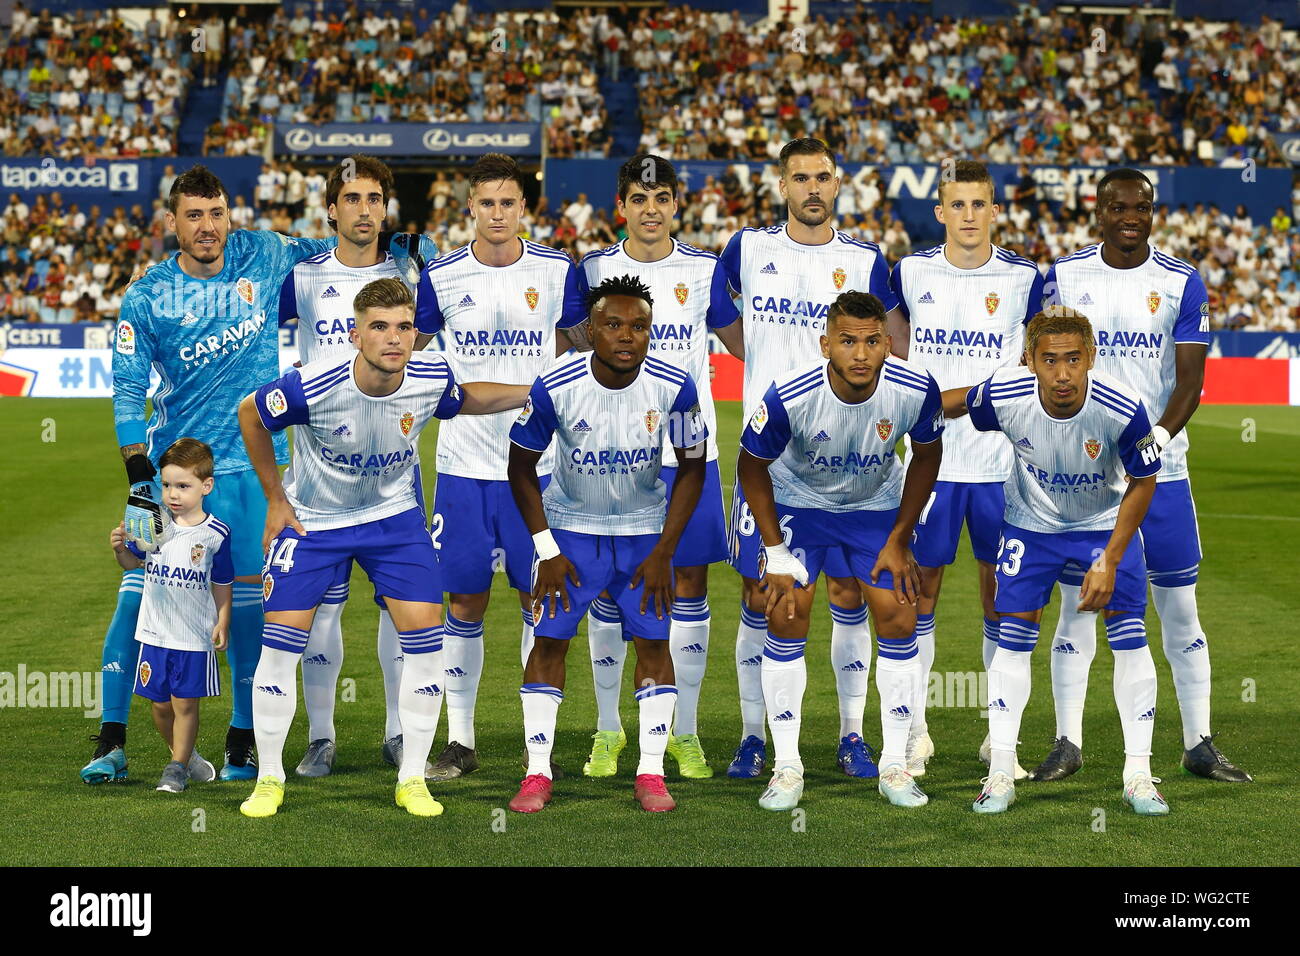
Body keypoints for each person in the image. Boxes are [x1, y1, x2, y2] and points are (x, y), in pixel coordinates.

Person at [81, 164, 434, 787]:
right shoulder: (146, 295)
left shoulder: (264, 252)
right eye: (193, 216)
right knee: (136, 601)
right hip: (174, 471)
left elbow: (344, 245)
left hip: (253, 468)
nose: (208, 227)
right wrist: (140, 480)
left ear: (229, 215)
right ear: (172, 223)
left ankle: (243, 743)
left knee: (251, 614)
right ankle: (112, 741)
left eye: (216, 213)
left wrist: (410, 245)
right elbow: (127, 390)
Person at [236, 277, 529, 818]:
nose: (393, 339)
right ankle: (270, 779)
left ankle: (412, 778)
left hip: (394, 522)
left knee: (427, 646)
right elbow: (251, 414)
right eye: (379, 327)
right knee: (279, 648)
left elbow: (468, 400)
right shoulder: (312, 385)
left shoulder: (429, 375)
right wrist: (276, 498)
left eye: (403, 328)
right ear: (354, 334)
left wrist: (531, 391)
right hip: (315, 524)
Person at [1037, 168, 1251, 783]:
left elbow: (1191, 381)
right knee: (1078, 611)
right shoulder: (1065, 277)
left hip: (1163, 473)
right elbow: (1043, 365)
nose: (1130, 216)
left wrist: (1155, 440)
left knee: (1179, 611)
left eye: (1141, 207)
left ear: (1153, 212)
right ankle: (1067, 742)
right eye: (1117, 206)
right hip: (1080, 478)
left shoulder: (1180, 281)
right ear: (1098, 209)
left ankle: (1198, 743)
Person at [719, 137, 905, 781]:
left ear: (839, 181)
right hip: (768, 456)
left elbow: (892, 341)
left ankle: (852, 735)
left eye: (823, 177)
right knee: (765, 595)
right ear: (781, 185)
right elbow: (725, 322)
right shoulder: (746, 249)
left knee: (851, 592)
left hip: (853, 461)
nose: (813, 189)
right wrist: (773, 377)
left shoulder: (867, 260)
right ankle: (753, 737)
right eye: (800, 178)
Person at [942, 306, 1168, 815]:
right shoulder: (1006, 393)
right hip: (1031, 526)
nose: (1062, 374)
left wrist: (1110, 558)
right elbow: (955, 404)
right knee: (1013, 635)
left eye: (1072, 359)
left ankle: (1139, 774)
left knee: (1129, 636)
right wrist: (900, 409)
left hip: (1105, 525)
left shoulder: (1122, 406)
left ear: (1091, 357)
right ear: (1029, 360)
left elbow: (1145, 480)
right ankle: (1000, 771)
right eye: (1049, 360)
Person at [505, 274, 707, 813]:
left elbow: (692, 467)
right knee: (548, 643)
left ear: (650, 331)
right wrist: (546, 548)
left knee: (654, 645)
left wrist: (665, 550)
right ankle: (537, 772)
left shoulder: (676, 385)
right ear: (591, 330)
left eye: (638, 326)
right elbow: (520, 466)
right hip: (571, 532)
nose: (626, 335)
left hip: (644, 534)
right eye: (613, 324)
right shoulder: (555, 385)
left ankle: (650, 771)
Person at [413, 153, 586, 781]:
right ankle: (460, 740)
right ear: (469, 210)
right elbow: (413, 354)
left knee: (535, 595)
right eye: (485, 203)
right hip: (462, 464)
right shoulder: (441, 275)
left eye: (507, 202)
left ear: (524, 209)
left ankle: (534, 746)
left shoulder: (556, 270)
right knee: (463, 600)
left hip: (537, 470)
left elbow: (575, 348)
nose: (496, 213)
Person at [736, 292, 943, 810]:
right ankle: (787, 767)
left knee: (899, 614)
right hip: (797, 502)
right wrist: (776, 551)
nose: (860, 353)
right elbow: (750, 466)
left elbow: (927, 453)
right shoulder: (791, 394)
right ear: (826, 343)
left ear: (888, 345)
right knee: (785, 614)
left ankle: (894, 764)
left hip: (874, 505)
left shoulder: (916, 389)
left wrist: (899, 538)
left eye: (872, 341)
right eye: (847, 341)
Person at [574, 154, 743, 780]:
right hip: (607, 453)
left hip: (684, 453)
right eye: (639, 197)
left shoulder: (704, 269)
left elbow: (742, 343)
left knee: (689, 586)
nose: (651, 207)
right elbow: (569, 354)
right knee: (605, 589)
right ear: (621, 204)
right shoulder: (592, 269)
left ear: (677, 204)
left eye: (662, 197)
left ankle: (685, 731)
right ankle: (609, 729)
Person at [887, 160, 1044, 778]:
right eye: (959, 205)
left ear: (995, 211)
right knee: (917, 597)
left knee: (1002, 599)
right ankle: (916, 735)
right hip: (931, 464)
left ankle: (996, 740)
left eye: (981, 204)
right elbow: (895, 345)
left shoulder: (1024, 278)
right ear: (941, 211)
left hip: (1003, 464)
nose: (970, 216)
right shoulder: (911, 271)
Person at [277, 155, 426, 778]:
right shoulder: (302, 277)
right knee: (323, 608)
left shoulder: (413, 269)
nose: (365, 210)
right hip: (320, 476)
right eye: (352, 199)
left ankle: (397, 732)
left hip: (395, 469)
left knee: (402, 606)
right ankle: (321, 736)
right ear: (331, 209)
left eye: (374, 199)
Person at [109, 438, 231, 793]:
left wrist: (223, 619)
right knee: (160, 706)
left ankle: (176, 767)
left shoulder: (215, 535)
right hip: (154, 633)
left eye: (183, 486)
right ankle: (187, 755)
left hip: (193, 636)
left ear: (206, 486)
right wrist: (120, 549)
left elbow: (222, 582)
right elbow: (134, 562)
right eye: (166, 485)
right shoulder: (153, 523)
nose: (172, 494)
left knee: (184, 705)